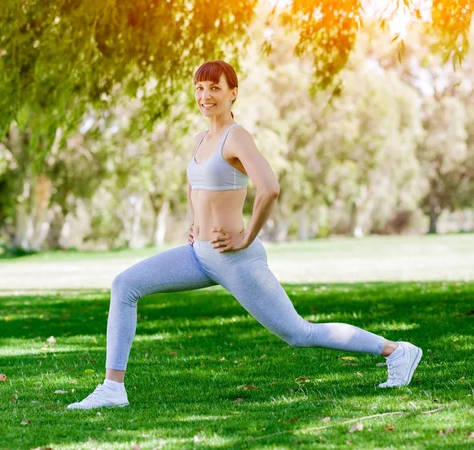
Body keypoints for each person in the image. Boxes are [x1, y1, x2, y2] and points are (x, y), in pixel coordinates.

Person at [66, 60, 422, 410]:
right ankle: (113, 389)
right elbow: (195, 187)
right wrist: (194, 222)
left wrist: (247, 238)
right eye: (200, 88)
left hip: (234, 258)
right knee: (125, 285)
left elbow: (269, 188)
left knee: (299, 333)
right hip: (198, 255)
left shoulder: (238, 138)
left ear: (233, 93)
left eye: (214, 88)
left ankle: (397, 350)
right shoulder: (200, 139)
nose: (205, 95)